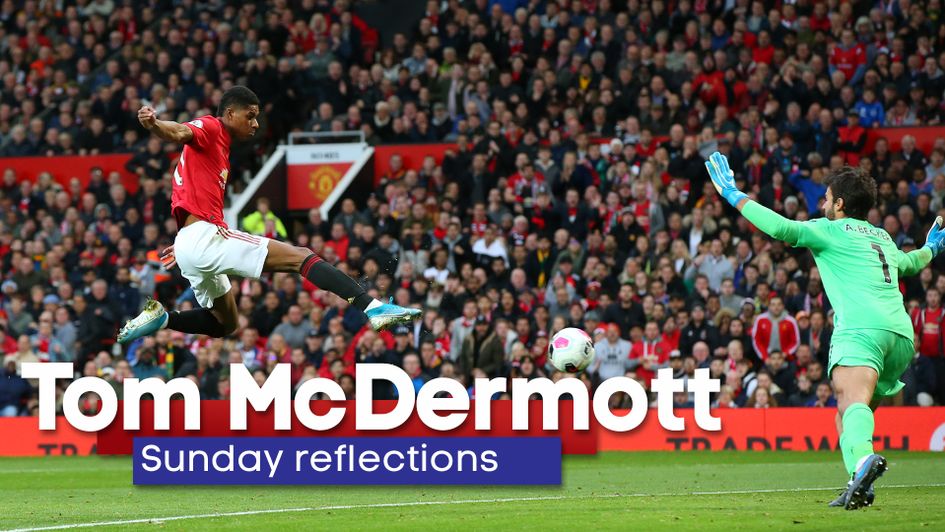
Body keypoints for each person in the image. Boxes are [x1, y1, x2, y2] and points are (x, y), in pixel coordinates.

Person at [705, 151, 945, 510]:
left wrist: (734, 195)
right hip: (900, 336)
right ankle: (858, 482)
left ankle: (865, 462)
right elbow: (909, 264)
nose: (823, 204)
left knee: (851, 404)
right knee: (846, 413)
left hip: (861, 331)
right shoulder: (880, 237)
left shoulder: (828, 230)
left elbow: (782, 228)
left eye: (827, 198)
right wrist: (930, 249)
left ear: (840, 203)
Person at [117, 86, 420, 344]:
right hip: (202, 238)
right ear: (230, 113)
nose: (256, 123)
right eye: (250, 115)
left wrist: (187, 241)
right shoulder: (211, 127)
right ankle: (373, 308)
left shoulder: (216, 149)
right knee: (300, 256)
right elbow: (181, 131)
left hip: (189, 242)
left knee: (225, 324)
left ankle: (164, 319)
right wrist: (155, 126)